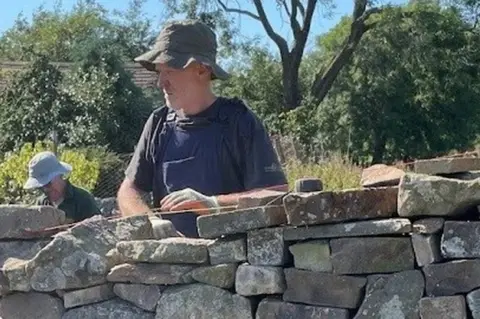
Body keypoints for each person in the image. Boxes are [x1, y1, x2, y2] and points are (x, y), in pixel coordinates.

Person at [117, 19, 288, 238]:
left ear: (201, 69)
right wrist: (149, 221)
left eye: (169, 70)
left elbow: (276, 195)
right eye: (159, 72)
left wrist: (214, 204)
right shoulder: (158, 123)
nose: (161, 83)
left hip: (232, 264)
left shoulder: (239, 121)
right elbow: (128, 191)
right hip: (169, 263)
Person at [24, 151, 101, 223]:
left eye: (47, 184)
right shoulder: (41, 203)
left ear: (58, 175)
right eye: (39, 186)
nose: (45, 189)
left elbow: (99, 230)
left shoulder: (83, 200)